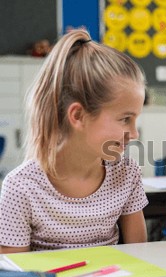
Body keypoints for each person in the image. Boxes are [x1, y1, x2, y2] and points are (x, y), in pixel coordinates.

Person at [0, 29, 148, 253]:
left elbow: (141, 255)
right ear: (78, 116)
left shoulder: (126, 174)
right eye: (125, 119)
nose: (134, 133)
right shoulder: (21, 187)